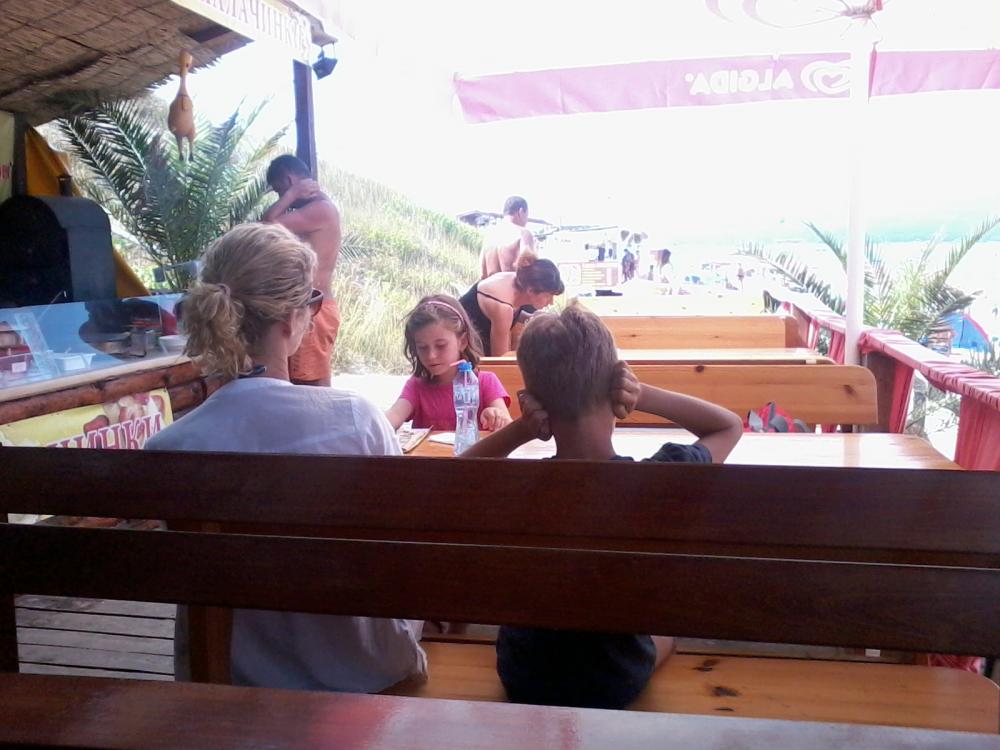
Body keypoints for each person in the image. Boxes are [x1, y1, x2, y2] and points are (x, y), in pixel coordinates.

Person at [146, 223, 427, 693]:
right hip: (360, 676)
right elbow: (399, 557)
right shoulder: (355, 420)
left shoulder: (169, 448)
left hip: (227, 682)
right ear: (291, 320)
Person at [462, 304, 743, 709]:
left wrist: (523, 428)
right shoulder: (661, 477)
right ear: (615, 387)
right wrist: (642, 394)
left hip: (523, 676)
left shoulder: (515, 488)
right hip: (612, 681)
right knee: (665, 634)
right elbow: (728, 425)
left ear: (533, 400)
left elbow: (456, 477)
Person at [263, 154, 341, 387]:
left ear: (289, 180)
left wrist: (292, 194)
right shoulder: (314, 211)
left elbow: (266, 226)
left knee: (310, 387)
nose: (281, 198)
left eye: (280, 190)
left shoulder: (321, 209)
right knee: (306, 385)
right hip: (312, 308)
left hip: (313, 310)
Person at [385, 294, 513, 432]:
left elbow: (507, 427)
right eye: (422, 347)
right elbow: (391, 419)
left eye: (441, 346)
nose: (431, 356)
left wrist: (496, 416)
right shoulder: (416, 386)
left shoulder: (485, 382)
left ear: (462, 342)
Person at [458, 255, 565, 356]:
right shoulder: (503, 307)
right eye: (548, 296)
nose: (551, 302)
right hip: (461, 350)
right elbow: (500, 360)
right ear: (531, 291)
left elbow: (513, 314)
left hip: (476, 336)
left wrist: (533, 318)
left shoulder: (521, 281)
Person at [479, 196, 537, 279]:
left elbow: (482, 274)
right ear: (520, 212)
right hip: (513, 287)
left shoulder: (489, 238)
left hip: (490, 286)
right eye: (526, 216)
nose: (526, 221)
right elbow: (529, 271)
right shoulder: (523, 234)